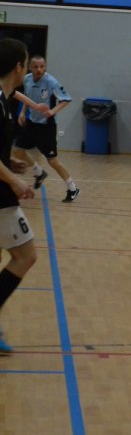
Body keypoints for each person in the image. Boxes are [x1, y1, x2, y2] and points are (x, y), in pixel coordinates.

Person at [0, 38, 39, 353]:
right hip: (1, 197)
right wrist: (14, 180)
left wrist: (8, 162)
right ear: (18, 66)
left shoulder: (5, 100)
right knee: (26, 256)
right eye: (26, 63)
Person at [14, 55, 80, 202]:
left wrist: (52, 111)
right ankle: (39, 173)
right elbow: (27, 98)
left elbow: (66, 99)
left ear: (45, 67)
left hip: (46, 126)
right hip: (32, 123)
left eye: (42, 66)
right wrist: (23, 112)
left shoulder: (51, 82)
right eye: (36, 67)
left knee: (52, 161)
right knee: (18, 151)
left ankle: (72, 188)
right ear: (30, 67)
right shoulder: (27, 79)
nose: (39, 69)